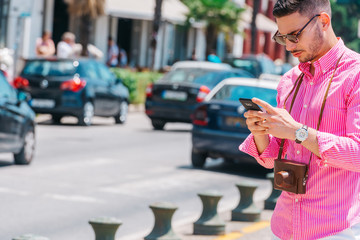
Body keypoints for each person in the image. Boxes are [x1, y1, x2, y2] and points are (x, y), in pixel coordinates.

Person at [239, 0, 360, 239]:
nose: (289, 46)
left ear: (323, 21)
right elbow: (271, 159)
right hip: (284, 226)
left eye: (294, 35)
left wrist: (298, 132)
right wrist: (261, 132)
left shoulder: (355, 75)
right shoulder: (289, 80)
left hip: (335, 230)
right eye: (282, 38)